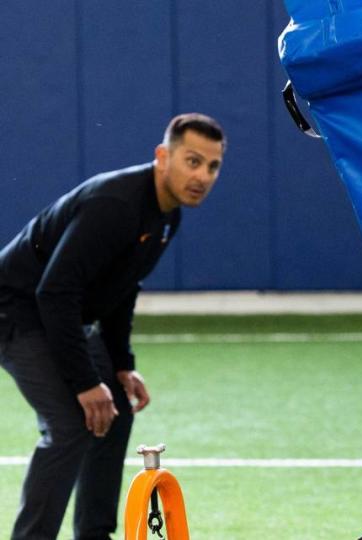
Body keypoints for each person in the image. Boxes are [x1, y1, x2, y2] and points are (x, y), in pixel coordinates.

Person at [0, 113, 226, 540]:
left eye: (212, 166)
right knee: (69, 424)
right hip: (14, 311)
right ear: (163, 157)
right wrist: (86, 383)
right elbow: (54, 292)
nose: (202, 176)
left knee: (115, 407)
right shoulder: (116, 205)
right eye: (192, 161)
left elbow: (121, 289)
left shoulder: (166, 216)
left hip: (57, 312)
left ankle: (94, 534)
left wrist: (121, 366)